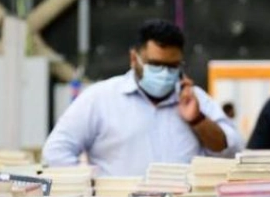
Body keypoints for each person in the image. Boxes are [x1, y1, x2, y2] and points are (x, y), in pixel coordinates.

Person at [42, 19, 242, 175]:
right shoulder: (100, 99)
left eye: (172, 66)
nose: (164, 73)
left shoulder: (196, 99)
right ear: (133, 58)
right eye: (155, 64)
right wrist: (87, 190)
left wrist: (198, 120)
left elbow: (231, 152)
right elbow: (56, 151)